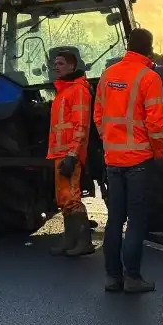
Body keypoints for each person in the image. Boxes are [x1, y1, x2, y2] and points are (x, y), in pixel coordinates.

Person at [94, 28, 163, 293]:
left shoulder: (108, 74)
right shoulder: (149, 77)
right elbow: (156, 123)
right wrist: (157, 151)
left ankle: (113, 277)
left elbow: (98, 114)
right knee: (136, 220)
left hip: (114, 159)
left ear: (128, 45)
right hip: (139, 160)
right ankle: (133, 278)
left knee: (115, 219)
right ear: (148, 48)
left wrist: (109, 141)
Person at [47, 50, 96, 257]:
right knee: (63, 198)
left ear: (72, 66)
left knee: (72, 197)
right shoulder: (64, 91)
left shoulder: (78, 91)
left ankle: (83, 241)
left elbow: (81, 125)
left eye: (60, 63)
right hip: (60, 152)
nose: (55, 67)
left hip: (69, 154)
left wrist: (73, 154)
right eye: (55, 64)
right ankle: (70, 240)